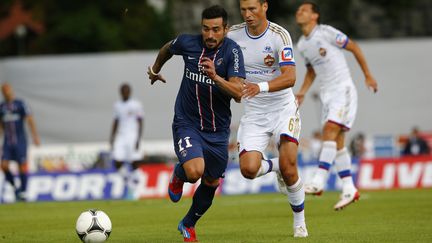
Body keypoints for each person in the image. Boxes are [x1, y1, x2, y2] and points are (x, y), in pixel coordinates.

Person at [147, 5, 245, 242]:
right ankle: (180, 173)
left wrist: (215, 77)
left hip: (218, 130)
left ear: (225, 29)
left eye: (215, 30)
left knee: (211, 182)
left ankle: (188, 223)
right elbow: (167, 49)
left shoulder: (232, 52)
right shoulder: (188, 43)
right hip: (187, 122)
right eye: (205, 29)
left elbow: (238, 92)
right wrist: (155, 70)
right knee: (195, 171)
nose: (210, 35)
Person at [228, 0, 308, 237]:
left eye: (252, 9)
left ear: (265, 6)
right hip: (254, 113)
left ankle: (300, 223)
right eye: (243, 10)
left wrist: (259, 87)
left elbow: (290, 77)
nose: (247, 14)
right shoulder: (232, 35)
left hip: (283, 109)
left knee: (290, 167)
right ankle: (275, 167)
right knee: (249, 170)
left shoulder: (279, 35)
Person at [295, 1, 378, 210]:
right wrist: (302, 92)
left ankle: (319, 180)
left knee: (329, 130)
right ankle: (349, 188)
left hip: (343, 89)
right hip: (327, 94)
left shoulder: (326, 32)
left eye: (304, 10)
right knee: (338, 142)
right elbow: (312, 70)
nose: (299, 12)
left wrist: (368, 76)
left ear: (314, 16)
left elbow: (354, 47)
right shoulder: (302, 45)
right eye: (299, 10)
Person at [0, 83, 40, 201]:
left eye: (8, 90)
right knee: (4, 165)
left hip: (20, 141)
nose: (6, 92)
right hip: (7, 142)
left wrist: (35, 136)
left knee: (22, 166)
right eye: (4, 90)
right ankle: (15, 187)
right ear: (2, 92)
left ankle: (23, 191)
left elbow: (30, 119)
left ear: (11, 90)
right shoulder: (2, 107)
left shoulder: (20, 104)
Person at [109, 83, 144, 172]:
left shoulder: (136, 104)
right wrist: (112, 138)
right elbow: (115, 122)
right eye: (123, 91)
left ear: (130, 92)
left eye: (127, 91)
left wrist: (138, 138)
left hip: (132, 135)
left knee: (135, 160)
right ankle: (124, 177)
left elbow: (140, 122)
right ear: (120, 92)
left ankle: (135, 179)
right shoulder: (117, 105)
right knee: (117, 160)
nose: (125, 93)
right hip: (121, 135)